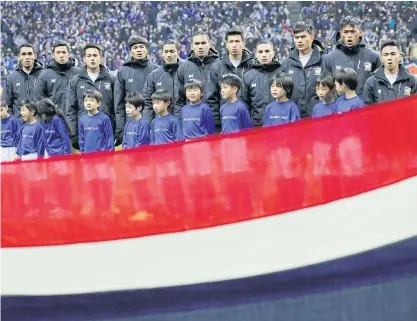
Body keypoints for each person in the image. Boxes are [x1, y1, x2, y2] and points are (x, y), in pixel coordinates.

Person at [66, 44, 115, 150]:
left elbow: (117, 106)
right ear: (84, 59)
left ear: (101, 58)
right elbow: (71, 109)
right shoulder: (76, 80)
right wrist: (73, 133)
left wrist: (119, 130)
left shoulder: (111, 79)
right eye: (89, 56)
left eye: (95, 55)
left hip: (106, 134)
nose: (92, 58)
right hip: (85, 134)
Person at [207, 27, 254, 131]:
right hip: (226, 125)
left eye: (237, 41)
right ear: (226, 44)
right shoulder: (217, 67)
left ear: (243, 43)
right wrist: (218, 126)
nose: (234, 44)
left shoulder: (252, 65)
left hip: (249, 124)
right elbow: (212, 99)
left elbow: (257, 97)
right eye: (231, 41)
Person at [114, 36, 158, 145]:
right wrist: (121, 128)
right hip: (131, 125)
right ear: (130, 52)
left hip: (153, 123)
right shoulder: (123, 72)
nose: (138, 50)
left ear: (146, 50)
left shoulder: (156, 70)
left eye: (141, 47)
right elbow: (119, 103)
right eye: (135, 47)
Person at [324, 16, 381, 100]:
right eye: (346, 32)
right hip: (340, 111)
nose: (349, 35)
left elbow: (379, 88)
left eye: (353, 31)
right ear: (340, 34)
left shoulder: (373, 57)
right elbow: (326, 88)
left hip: (366, 110)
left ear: (360, 33)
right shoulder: (330, 58)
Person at [281, 21, 327, 118]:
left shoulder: (324, 60)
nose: (299, 40)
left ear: (312, 37)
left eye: (303, 37)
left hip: (319, 117)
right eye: (296, 37)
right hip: (294, 118)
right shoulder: (286, 64)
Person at [174, 32, 219, 119]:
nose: (200, 46)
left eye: (203, 43)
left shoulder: (220, 65)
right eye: (197, 44)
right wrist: (180, 123)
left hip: (217, 122)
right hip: (192, 122)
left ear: (209, 44)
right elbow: (179, 101)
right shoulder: (183, 69)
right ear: (192, 46)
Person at [242, 40, 282, 127]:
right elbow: (245, 105)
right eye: (260, 52)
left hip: (281, 126)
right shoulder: (248, 76)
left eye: (267, 51)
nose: (264, 55)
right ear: (256, 54)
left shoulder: (283, 72)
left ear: (273, 53)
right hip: (258, 128)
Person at [363, 40, 417, 104]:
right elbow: (367, 109)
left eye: (393, 54)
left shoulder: (412, 80)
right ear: (381, 59)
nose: (389, 58)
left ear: (400, 57)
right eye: (386, 55)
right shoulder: (371, 82)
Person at [35, 40, 81, 114]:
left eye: (64, 52)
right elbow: (39, 100)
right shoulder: (45, 75)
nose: (61, 55)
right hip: (53, 121)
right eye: (58, 52)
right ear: (53, 55)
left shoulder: (79, 73)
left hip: (75, 120)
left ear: (68, 54)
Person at [2, 43, 43, 120]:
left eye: (30, 54)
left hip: (41, 126)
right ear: (19, 57)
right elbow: (6, 106)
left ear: (35, 56)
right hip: (20, 128)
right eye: (23, 54)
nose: (27, 57)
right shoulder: (11, 78)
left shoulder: (44, 75)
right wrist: (13, 124)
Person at [143, 40, 180, 122]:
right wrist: (147, 125)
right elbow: (148, 103)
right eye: (166, 52)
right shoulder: (154, 75)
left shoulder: (184, 72)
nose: (169, 55)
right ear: (162, 53)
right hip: (160, 125)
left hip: (182, 123)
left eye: (172, 51)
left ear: (178, 53)